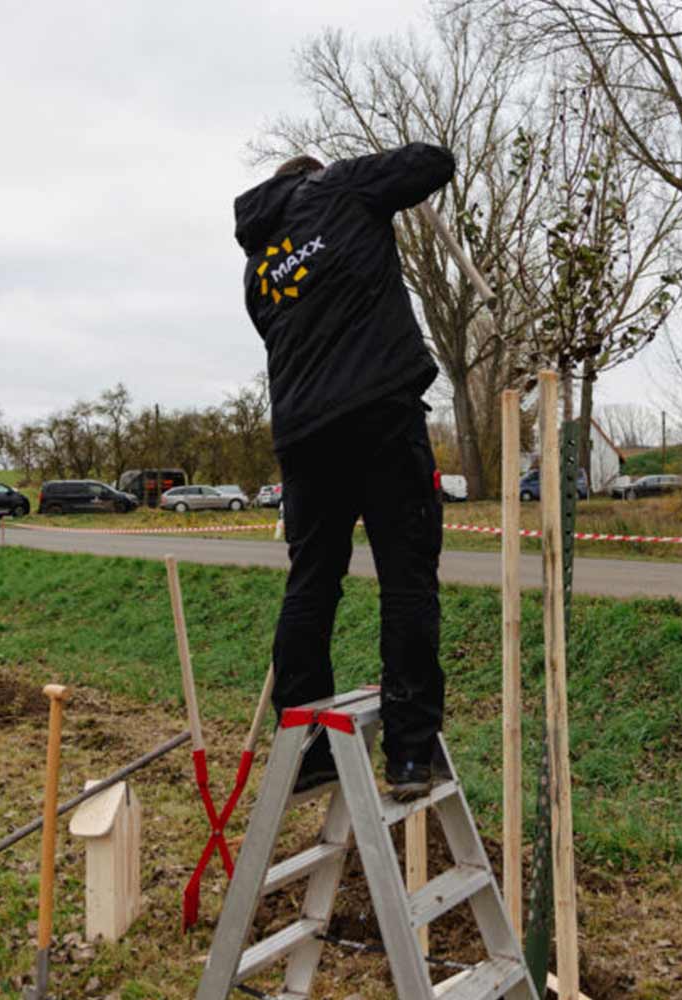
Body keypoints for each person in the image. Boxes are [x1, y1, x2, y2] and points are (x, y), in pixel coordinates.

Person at [234, 143, 455, 800]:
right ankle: (410, 752)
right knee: (407, 578)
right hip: (381, 415)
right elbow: (433, 162)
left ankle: (306, 748)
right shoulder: (343, 189)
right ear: (316, 173)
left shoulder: (258, 268)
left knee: (311, 583)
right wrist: (352, 176)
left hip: (304, 437)